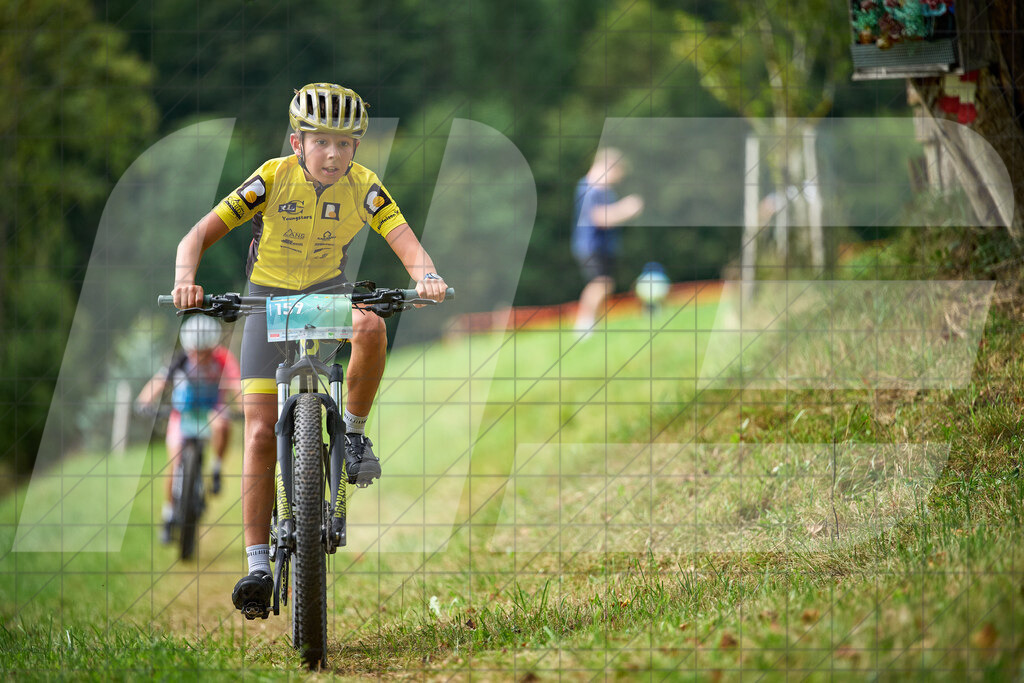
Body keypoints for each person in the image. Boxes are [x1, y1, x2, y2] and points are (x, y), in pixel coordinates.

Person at [169, 83, 448, 617]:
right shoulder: (271, 178)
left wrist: (427, 275)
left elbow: (406, 242)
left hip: (326, 294)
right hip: (266, 301)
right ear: (297, 143)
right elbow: (195, 236)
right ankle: (257, 564)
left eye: (344, 144)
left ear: (356, 148)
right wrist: (186, 280)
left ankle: (355, 436)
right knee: (258, 432)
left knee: (371, 327)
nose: (333, 154)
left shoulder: (365, 186)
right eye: (321, 141)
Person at [136, 315, 240, 544]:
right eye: (195, 351)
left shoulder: (223, 359)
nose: (199, 356)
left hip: (211, 410)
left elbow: (236, 384)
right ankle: (168, 515)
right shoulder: (180, 359)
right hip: (182, 413)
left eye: (204, 352)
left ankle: (216, 468)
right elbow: (159, 381)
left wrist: (245, 407)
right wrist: (144, 401)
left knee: (223, 424)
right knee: (174, 464)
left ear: (213, 347)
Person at [571, 147, 644, 335]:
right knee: (600, 283)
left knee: (604, 284)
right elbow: (600, 218)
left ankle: (589, 325)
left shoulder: (601, 190)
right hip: (591, 246)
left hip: (600, 246)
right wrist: (626, 209)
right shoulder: (590, 189)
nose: (618, 179)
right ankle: (584, 326)